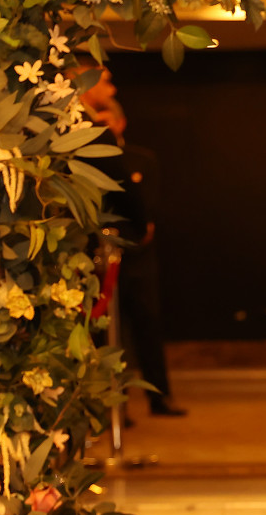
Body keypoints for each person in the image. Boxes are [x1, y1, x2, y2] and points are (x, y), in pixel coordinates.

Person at [75, 64, 186, 418]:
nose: (111, 89)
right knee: (104, 331)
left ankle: (159, 396)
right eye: (105, 82)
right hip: (99, 253)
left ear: (121, 124)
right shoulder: (83, 142)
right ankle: (111, 406)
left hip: (136, 255)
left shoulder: (141, 159)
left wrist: (136, 229)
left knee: (146, 326)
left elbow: (144, 207)